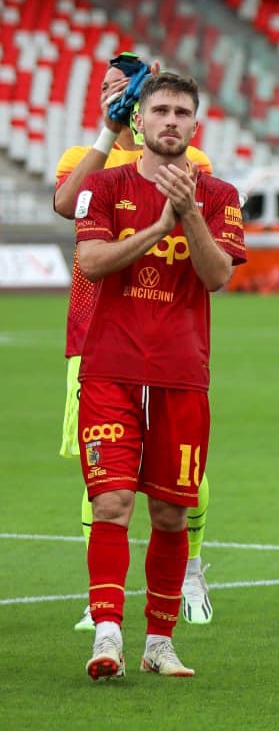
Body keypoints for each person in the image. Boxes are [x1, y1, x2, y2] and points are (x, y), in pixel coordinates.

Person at [72, 71, 247, 679]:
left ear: (194, 126)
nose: (171, 121)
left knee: (171, 514)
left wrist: (189, 215)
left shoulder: (220, 195)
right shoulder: (102, 185)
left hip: (181, 375)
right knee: (112, 501)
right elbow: (90, 262)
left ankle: (160, 642)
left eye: (182, 112)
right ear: (139, 121)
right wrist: (155, 230)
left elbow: (217, 276)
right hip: (110, 372)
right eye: (161, 110)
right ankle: (108, 633)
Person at [53, 53, 218, 633]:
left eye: (125, 89)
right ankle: (101, 600)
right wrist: (109, 128)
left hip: (174, 349)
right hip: (93, 336)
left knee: (175, 486)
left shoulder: (192, 161)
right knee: (104, 483)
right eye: (106, 88)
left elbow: (213, 262)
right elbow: (63, 203)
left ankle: (190, 569)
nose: (113, 95)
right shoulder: (84, 161)